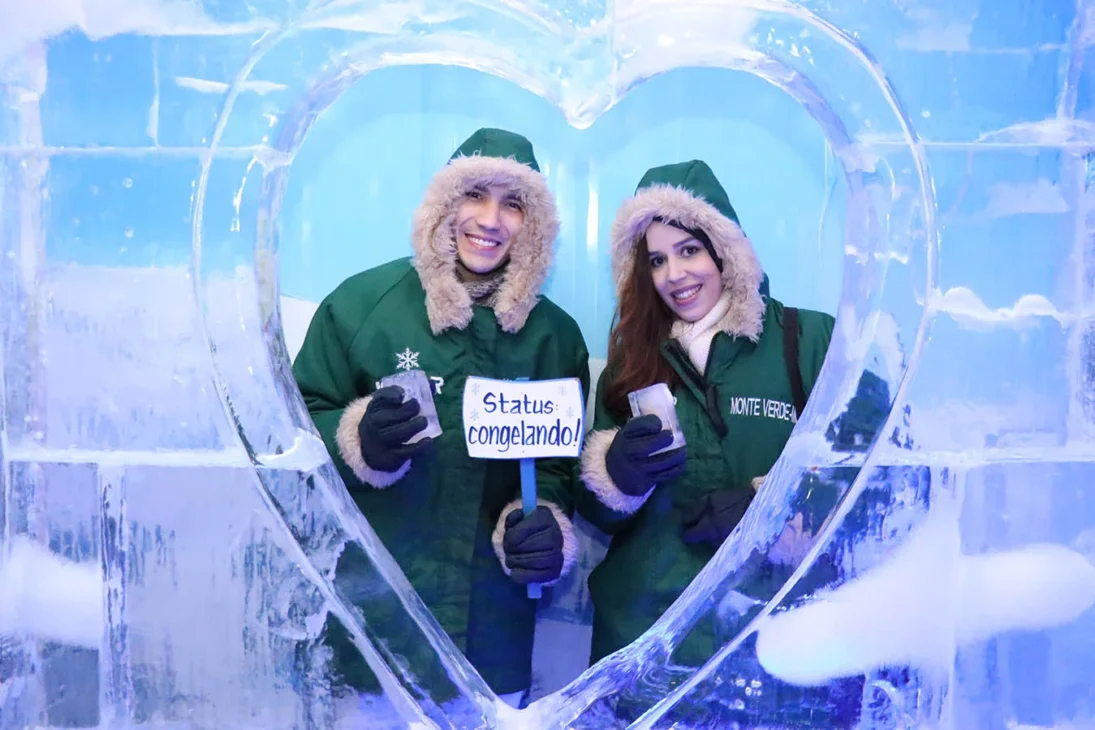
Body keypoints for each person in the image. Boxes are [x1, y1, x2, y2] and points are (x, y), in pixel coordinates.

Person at [292, 128, 590, 706]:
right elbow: (297, 424)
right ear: (443, 205)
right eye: (475, 195)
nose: (491, 219)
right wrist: (358, 440)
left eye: (514, 204)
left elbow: (558, 464)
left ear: (535, 227)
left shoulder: (554, 336)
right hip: (371, 626)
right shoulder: (362, 305)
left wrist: (543, 524)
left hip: (492, 638)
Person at [576, 159, 860, 724]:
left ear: (725, 249)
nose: (674, 275)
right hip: (647, 653)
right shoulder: (631, 363)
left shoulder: (809, 341)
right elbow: (594, 515)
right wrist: (616, 475)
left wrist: (767, 510)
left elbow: (883, 476)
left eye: (689, 250)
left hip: (776, 654)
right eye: (655, 260)